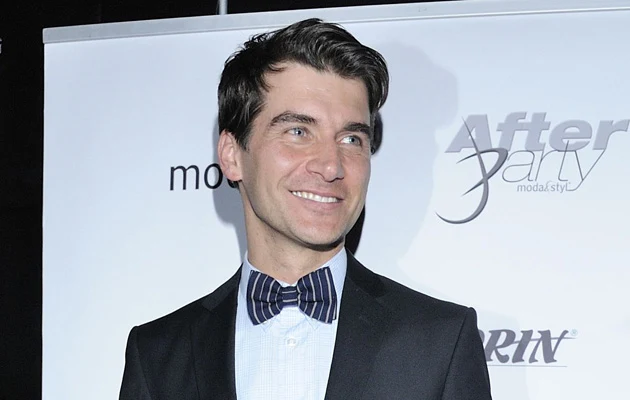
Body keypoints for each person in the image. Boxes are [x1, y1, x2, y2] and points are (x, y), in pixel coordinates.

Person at [119, 18, 491, 400]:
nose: (331, 166)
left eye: (351, 138)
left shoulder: (440, 342)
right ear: (232, 155)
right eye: (298, 132)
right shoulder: (157, 355)